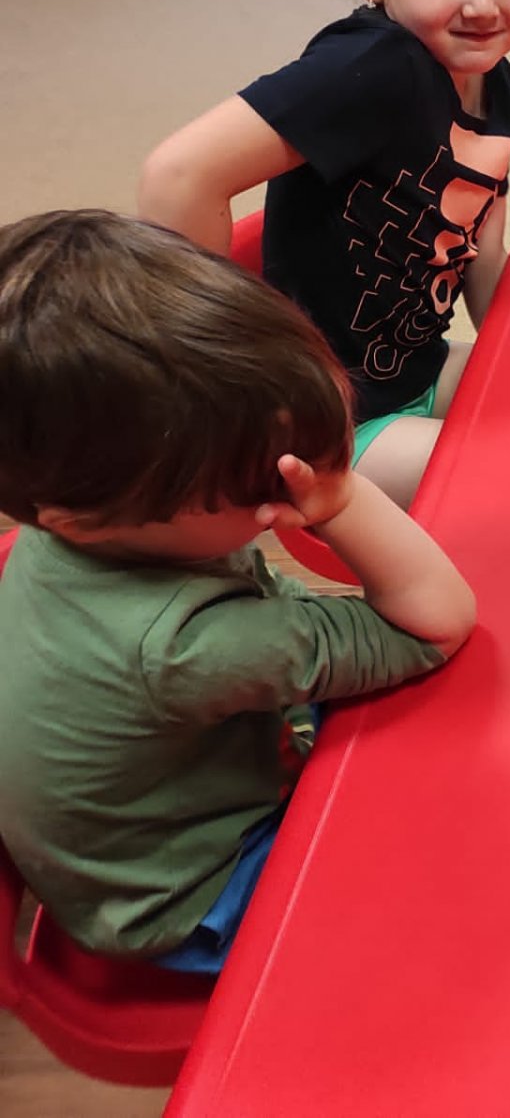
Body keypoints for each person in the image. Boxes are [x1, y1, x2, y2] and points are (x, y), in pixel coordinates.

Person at [0, 211, 475, 971]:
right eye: (259, 482)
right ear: (81, 518)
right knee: (453, 867)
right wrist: (341, 497)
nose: (293, 484)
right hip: (191, 897)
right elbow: (436, 625)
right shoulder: (186, 648)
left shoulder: (67, 525)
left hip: (146, 822)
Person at [139, 0, 510, 507]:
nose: (482, 5)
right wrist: (217, 383)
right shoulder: (375, 66)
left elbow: (481, 248)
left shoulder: (492, 77)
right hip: (336, 425)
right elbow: (178, 175)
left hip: (417, 368)